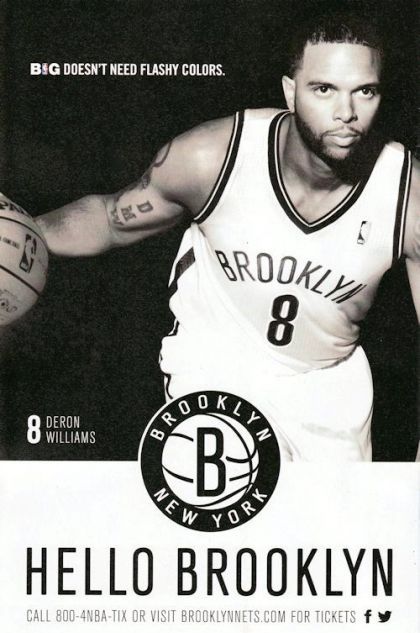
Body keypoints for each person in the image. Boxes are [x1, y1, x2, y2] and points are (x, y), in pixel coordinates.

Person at [35, 13, 419, 462]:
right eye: (324, 89)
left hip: (328, 393)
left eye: (364, 91)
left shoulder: (407, 195)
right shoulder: (214, 157)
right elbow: (109, 219)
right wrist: (26, 233)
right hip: (215, 368)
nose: (346, 113)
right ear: (291, 92)